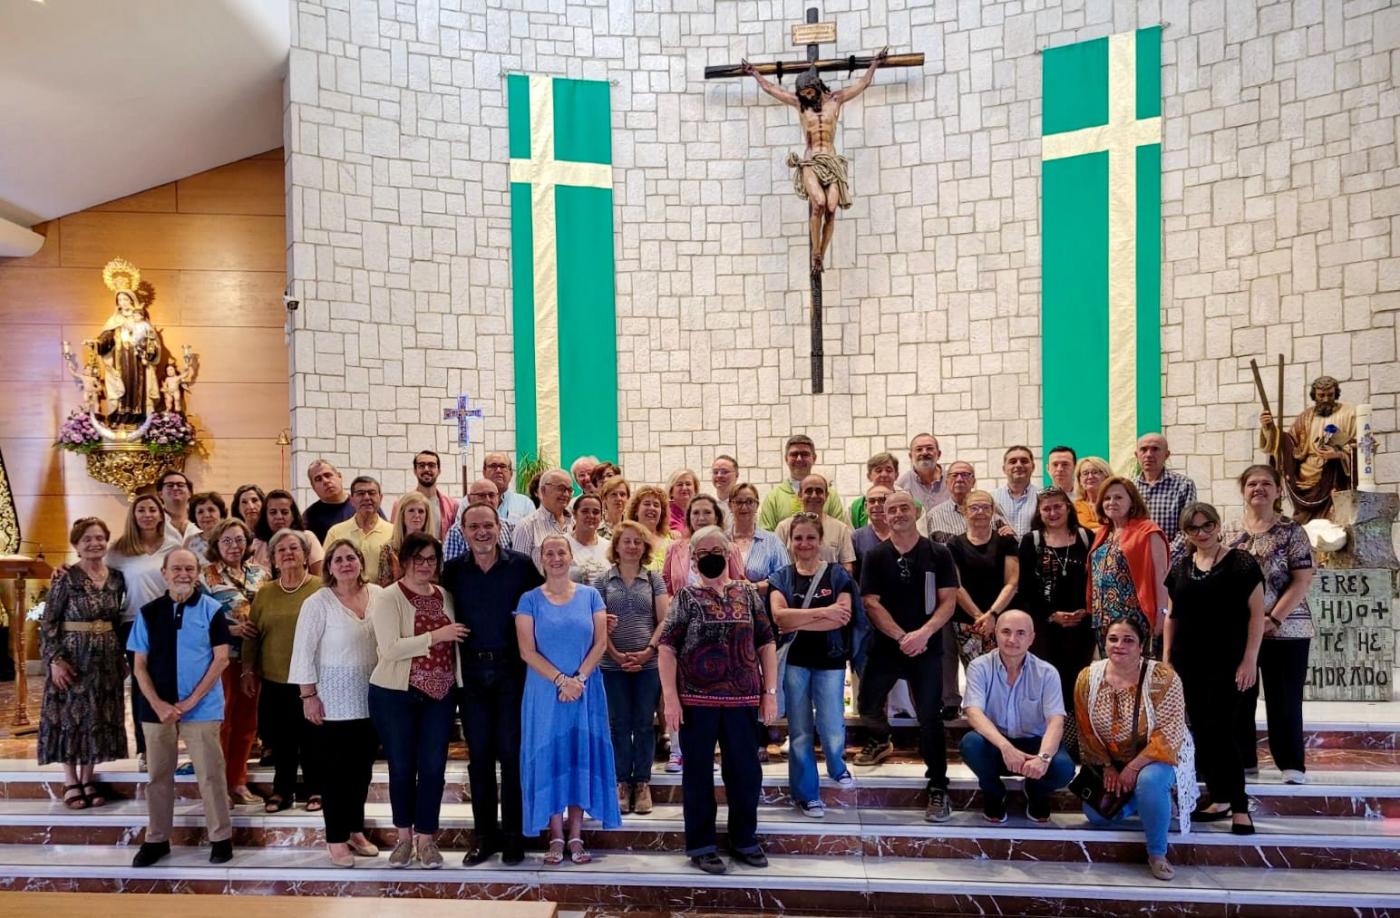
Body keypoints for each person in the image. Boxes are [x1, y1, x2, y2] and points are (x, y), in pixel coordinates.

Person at [659, 526, 779, 875]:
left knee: (745, 772)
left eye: (717, 549)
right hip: (696, 701)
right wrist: (670, 699)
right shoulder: (684, 597)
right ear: (693, 558)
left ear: (729, 554)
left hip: (743, 698)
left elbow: (766, 642)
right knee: (697, 773)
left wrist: (769, 693)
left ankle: (744, 839)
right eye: (702, 551)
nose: (710, 556)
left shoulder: (747, 593)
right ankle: (701, 844)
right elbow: (666, 648)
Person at [441, 503, 543, 866]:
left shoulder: (521, 566)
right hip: (470, 675)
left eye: (488, 525)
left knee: (512, 757)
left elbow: (541, 610)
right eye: (474, 527)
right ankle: (485, 836)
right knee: (479, 759)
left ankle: (515, 837)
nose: (481, 532)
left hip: (512, 673)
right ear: (464, 532)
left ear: (499, 526)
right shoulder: (452, 571)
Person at [853, 491, 960, 822]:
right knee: (867, 702)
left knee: (930, 717)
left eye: (903, 507)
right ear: (884, 516)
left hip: (927, 647)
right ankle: (881, 737)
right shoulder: (875, 555)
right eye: (891, 510)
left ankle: (938, 787)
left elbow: (948, 601)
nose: (898, 513)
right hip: (888, 646)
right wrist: (901, 636)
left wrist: (923, 634)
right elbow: (870, 602)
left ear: (916, 511)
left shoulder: (938, 553)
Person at [516, 535, 621, 864]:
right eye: (550, 553)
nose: (557, 557)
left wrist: (578, 679)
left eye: (562, 551)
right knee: (550, 759)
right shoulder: (529, 599)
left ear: (570, 555)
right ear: (541, 559)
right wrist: (561, 679)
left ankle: (575, 832)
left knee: (579, 757)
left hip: (584, 690)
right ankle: (555, 835)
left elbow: (601, 643)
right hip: (545, 692)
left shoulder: (591, 596)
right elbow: (526, 651)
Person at [126, 548, 234, 868]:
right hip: (156, 709)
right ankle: (157, 840)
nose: (183, 574)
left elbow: (221, 659)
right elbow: (139, 666)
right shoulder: (147, 613)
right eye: (177, 568)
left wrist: (191, 701)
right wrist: (159, 704)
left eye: (190, 568)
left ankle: (220, 838)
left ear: (198, 573)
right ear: (164, 573)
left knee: (211, 775)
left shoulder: (212, 609)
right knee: (158, 775)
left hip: (201, 706)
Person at [1165, 502, 1264, 835]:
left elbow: (1256, 615)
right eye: (1193, 529)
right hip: (1188, 662)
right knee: (1204, 733)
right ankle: (1220, 798)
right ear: (1186, 534)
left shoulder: (1241, 563)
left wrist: (1250, 658)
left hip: (1230, 663)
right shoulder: (1180, 568)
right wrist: (1166, 661)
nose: (1202, 533)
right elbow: (1172, 617)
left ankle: (1240, 806)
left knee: (1224, 732)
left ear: (1218, 525)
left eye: (1207, 525)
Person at [368, 532, 466, 869]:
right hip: (397, 694)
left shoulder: (445, 595)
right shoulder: (388, 597)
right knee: (402, 767)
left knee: (434, 768)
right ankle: (403, 839)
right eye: (417, 559)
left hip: (440, 694)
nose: (424, 565)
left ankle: (427, 839)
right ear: (404, 561)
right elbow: (389, 648)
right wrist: (436, 636)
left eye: (430, 559)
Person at [740, 51, 887, 273]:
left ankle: (822, 254)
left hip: (831, 161)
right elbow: (772, 89)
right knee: (818, 202)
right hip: (811, 161)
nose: (807, 97)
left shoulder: (836, 100)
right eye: (803, 93)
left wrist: (875, 64)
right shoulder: (800, 104)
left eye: (809, 92)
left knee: (831, 207)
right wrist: (755, 74)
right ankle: (815, 254)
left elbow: (863, 84)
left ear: (817, 87)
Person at [1075, 619, 1196, 882]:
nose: (1119, 646)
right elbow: (1085, 729)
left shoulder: (1163, 677)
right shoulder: (1087, 677)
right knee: (1096, 814)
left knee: (1150, 782)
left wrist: (1132, 768)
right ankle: (1147, 802)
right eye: (1113, 639)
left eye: (1128, 640)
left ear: (1142, 646)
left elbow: (1168, 735)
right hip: (1114, 760)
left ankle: (1157, 854)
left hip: (1158, 755)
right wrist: (1106, 765)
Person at [289, 539, 384, 866]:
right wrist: (308, 695)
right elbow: (302, 652)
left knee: (362, 772)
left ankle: (355, 829)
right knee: (335, 774)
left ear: (360, 561)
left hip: (371, 698)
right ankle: (336, 839)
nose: (345, 564)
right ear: (329, 567)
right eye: (338, 559)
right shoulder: (318, 603)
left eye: (351, 557)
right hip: (331, 701)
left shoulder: (380, 596)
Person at [1225, 464, 1316, 785]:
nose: (1258, 488)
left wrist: (1273, 618)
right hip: (1239, 631)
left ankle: (1291, 764)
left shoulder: (1292, 531)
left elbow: (1302, 579)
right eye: (1251, 483)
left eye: (1266, 483)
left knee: (1284, 699)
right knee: (1238, 699)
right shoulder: (1229, 531)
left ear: (1279, 491)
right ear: (1243, 490)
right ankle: (1244, 761)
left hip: (1287, 629)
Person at [770, 513, 858, 818]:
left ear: (820, 541)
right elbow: (780, 618)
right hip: (795, 662)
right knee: (800, 731)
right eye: (798, 538)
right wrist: (825, 613)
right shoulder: (781, 577)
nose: (804, 543)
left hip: (830, 661)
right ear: (790, 542)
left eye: (810, 537)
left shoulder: (837, 576)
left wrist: (800, 618)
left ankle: (836, 765)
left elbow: (843, 616)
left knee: (833, 725)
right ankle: (807, 793)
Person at [40, 518, 128, 809]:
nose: (94, 543)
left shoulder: (116, 578)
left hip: (107, 658)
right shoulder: (66, 578)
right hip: (72, 658)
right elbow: (49, 622)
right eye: (87, 539)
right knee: (70, 717)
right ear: (76, 544)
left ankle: (89, 776)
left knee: (98, 716)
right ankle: (70, 780)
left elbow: (117, 619)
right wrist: (54, 660)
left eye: (100, 538)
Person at [959, 610, 1075, 823]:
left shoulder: (1047, 673)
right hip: (996, 745)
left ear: (1031, 638)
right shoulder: (979, 667)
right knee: (970, 744)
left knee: (1063, 768)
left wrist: (1043, 758)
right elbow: (973, 712)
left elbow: (1056, 721)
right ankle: (994, 793)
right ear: (995, 634)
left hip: (1035, 746)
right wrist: (1006, 747)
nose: (1012, 640)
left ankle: (1036, 791)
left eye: (1021, 633)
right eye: (1006, 632)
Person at [243, 528, 323, 813]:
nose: (288, 554)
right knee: (282, 740)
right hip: (276, 678)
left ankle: (316, 789)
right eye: (281, 550)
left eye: (294, 549)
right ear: (274, 560)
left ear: (305, 556)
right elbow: (252, 634)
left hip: (313, 679)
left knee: (313, 737)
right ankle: (282, 791)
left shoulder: (321, 588)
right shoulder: (265, 593)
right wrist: (247, 670)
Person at [597, 521, 671, 817]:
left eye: (637, 542)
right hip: (611, 664)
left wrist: (647, 652)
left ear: (645, 547)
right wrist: (614, 653)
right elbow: (597, 622)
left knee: (643, 723)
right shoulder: (603, 580)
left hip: (647, 663)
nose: (631, 546)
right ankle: (621, 783)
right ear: (616, 546)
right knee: (618, 724)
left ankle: (641, 782)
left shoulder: (654, 580)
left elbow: (665, 620)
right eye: (625, 541)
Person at [106, 493, 183, 768]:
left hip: (168, 623)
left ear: (161, 514)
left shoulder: (173, 544)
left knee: (168, 683)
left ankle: (168, 743)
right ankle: (145, 748)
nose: (148, 514)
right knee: (142, 686)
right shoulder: (119, 550)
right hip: (133, 622)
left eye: (153, 509)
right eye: (141, 510)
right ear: (133, 515)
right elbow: (97, 574)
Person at [201, 517, 268, 806]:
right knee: (222, 721)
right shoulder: (206, 576)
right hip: (222, 658)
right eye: (226, 540)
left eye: (239, 539)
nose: (234, 546)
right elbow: (199, 620)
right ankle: (218, 786)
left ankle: (238, 781)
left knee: (247, 722)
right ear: (216, 544)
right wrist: (231, 629)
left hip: (254, 658)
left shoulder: (260, 573)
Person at [1015, 488, 1094, 715]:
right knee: (1048, 685)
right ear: (1039, 512)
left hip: (1082, 627)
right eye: (1046, 508)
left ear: (1068, 507)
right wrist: (1051, 614)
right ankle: (1050, 740)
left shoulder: (1086, 537)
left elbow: (1096, 580)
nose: (1052, 512)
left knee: (1078, 686)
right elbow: (1026, 588)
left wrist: (1085, 612)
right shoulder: (1032, 541)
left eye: (1057, 506)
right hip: (1045, 627)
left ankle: (1075, 740)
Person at [945, 489, 1020, 713]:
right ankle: (979, 729)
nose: (980, 512)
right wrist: (979, 617)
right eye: (974, 508)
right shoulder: (954, 545)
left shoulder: (1006, 542)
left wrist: (993, 615)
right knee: (977, 677)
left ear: (993, 511)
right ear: (964, 512)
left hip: (1002, 621)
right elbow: (956, 586)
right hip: (967, 623)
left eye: (985, 507)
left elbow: (1012, 582)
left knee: (1004, 677)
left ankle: (1007, 727)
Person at [1259, 375, 1357, 521]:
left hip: (1336, 475)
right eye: (1321, 395)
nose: (1325, 399)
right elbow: (1288, 443)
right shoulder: (1306, 417)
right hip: (1306, 478)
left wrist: (1339, 454)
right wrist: (1269, 429)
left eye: (1330, 395)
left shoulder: (1349, 413)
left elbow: (1363, 447)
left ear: (1336, 393)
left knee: (1337, 523)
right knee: (1303, 526)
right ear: (1314, 395)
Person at [1089, 477, 1168, 652]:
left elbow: (1162, 577)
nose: (1112, 502)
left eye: (1118, 497)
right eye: (1107, 498)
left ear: (1132, 501)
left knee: (1138, 675)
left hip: (1135, 619)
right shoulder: (1103, 533)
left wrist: (1162, 615)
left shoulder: (1148, 531)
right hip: (1104, 621)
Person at [662, 495, 746, 596]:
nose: (701, 518)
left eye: (707, 512)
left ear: (716, 518)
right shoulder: (673, 549)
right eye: (696, 513)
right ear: (689, 518)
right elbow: (665, 590)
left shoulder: (731, 549)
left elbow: (740, 587)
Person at [773, 475, 856, 574]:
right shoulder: (783, 528)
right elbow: (775, 566)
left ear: (826, 496)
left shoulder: (841, 529)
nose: (814, 495)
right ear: (799, 495)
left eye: (819, 491)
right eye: (808, 491)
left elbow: (847, 567)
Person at [758, 435, 846, 529]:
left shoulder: (830, 495)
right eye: (794, 454)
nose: (799, 459)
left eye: (804, 454)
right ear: (786, 459)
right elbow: (766, 535)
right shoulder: (773, 498)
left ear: (814, 458)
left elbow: (838, 531)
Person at [1133, 433, 1197, 560]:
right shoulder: (1129, 488)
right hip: (1137, 561)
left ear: (1166, 455)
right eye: (1143, 449)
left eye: (1155, 449)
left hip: (1173, 562)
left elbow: (1188, 528)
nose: (1149, 454)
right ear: (1137, 455)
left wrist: (1164, 555)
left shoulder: (1183, 485)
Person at [327, 476, 396, 584]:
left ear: (381, 498)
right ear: (351, 500)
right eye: (360, 493)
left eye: (372, 493)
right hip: (345, 597)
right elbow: (327, 570)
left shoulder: (393, 532)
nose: (367, 497)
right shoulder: (335, 532)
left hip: (382, 597)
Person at [728, 482, 789, 596]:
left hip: (761, 609)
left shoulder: (772, 541)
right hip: (726, 610)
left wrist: (754, 587)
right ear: (730, 505)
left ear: (757, 505)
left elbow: (785, 579)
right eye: (738, 502)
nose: (744, 507)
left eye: (750, 502)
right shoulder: (721, 540)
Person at [922, 461, 1009, 538]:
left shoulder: (992, 508)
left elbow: (1011, 537)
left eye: (965, 475)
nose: (959, 479)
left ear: (973, 482)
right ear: (946, 483)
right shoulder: (933, 516)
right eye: (954, 475)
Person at [250, 489, 326, 576]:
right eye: (273, 512)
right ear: (265, 516)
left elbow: (321, 578)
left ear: (293, 515)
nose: (279, 517)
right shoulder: (257, 544)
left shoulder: (307, 538)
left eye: (284, 512)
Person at [513, 468, 574, 567]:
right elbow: (519, 570)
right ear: (543, 490)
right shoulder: (526, 526)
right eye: (561, 488)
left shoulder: (574, 523)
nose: (566, 494)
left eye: (569, 490)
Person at [393, 450, 458, 541]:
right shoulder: (400, 504)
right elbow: (396, 536)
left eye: (431, 465)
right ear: (415, 471)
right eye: (421, 465)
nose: (426, 469)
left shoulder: (452, 506)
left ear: (439, 471)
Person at [444, 479, 516, 560]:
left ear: (498, 498)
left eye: (491, 495)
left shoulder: (511, 528)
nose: (487, 500)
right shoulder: (457, 532)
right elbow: (451, 569)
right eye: (481, 495)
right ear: (469, 499)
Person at [379, 491, 431, 586]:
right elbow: (384, 586)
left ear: (427, 516)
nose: (417, 515)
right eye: (411, 510)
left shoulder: (436, 546)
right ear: (402, 515)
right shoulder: (389, 549)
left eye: (421, 511)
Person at [303, 459, 355, 542]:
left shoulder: (363, 505)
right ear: (313, 487)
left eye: (328, 475)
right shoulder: (309, 517)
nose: (325, 481)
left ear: (339, 476)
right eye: (318, 479)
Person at [992, 446, 1038, 539]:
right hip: (1003, 552)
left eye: (1024, 461)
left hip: (1035, 552)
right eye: (1013, 462)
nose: (1018, 465)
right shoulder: (992, 498)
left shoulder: (1042, 496)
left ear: (1033, 467)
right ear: (1004, 469)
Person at [626, 485, 674, 574]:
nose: (652, 508)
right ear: (636, 511)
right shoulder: (627, 540)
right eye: (647, 504)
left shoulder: (671, 541)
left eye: (656, 505)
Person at [896, 433, 948, 513]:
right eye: (919, 449)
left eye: (929, 448)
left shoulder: (952, 481)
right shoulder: (901, 485)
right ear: (910, 456)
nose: (924, 453)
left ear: (939, 454)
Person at [567, 493, 612, 584]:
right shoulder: (562, 544)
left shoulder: (609, 546)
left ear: (601, 516)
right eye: (585, 511)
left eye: (595, 512)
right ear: (574, 514)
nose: (591, 516)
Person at [849, 451, 899, 529]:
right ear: (869, 476)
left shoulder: (912, 504)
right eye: (878, 471)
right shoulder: (856, 507)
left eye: (889, 470)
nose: (884, 474)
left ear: (896, 475)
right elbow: (852, 538)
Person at [483, 452, 535, 525]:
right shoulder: (469, 502)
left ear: (511, 473)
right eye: (493, 466)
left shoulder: (525, 504)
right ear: (484, 472)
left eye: (503, 466)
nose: (498, 470)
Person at [157, 470, 199, 542]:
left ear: (189, 493)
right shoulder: (153, 521)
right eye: (170, 485)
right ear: (160, 494)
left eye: (180, 485)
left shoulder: (201, 519)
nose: (175, 488)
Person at [185, 491, 227, 558]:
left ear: (221, 513)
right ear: (194, 517)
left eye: (211, 510)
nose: (206, 515)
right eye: (200, 512)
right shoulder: (190, 542)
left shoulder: (231, 538)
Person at [1073, 456, 1111, 529]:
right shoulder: (1075, 507)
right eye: (1085, 473)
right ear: (1079, 480)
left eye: (1095, 472)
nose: (1090, 476)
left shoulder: (1115, 502)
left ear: (1106, 476)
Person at [666, 468, 700, 534]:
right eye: (679, 484)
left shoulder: (701, 511)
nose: (684, 488)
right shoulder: (664, 513)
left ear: (695, 489)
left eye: (688, 484)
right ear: (671, 491)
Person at [598, 476, 631, 541]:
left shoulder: (633, 527)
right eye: (614, 494)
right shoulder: (595, 527)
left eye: (622, 494)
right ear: (604, 498)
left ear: (628, 498)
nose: (619, 498)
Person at [710, 455, 739, 521]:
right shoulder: (707, 503)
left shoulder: (743, 504)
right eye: (715, 472)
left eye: (725, 472)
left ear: (736, 475)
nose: (719, 475)